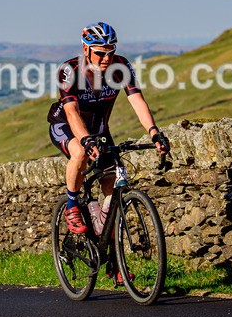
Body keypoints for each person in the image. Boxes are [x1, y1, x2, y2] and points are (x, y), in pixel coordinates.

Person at [47, 22, 169, 235]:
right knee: (80, 153)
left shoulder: (120, 66)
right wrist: (85, 139)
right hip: (65, 125)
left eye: (110, 53)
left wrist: (154, 132)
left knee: (112, 193)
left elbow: (137, 100)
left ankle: (113, 260)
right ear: (86, 49)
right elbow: (72, 112)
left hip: (99, 130)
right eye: (100, 53)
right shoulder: (70, 70)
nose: (106, 59)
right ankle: (72, 204)